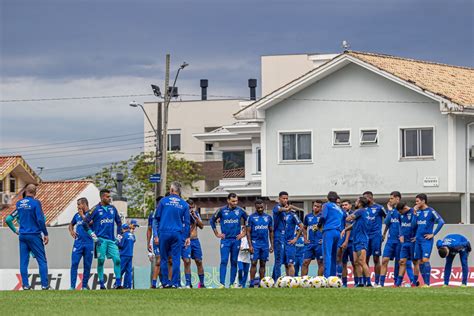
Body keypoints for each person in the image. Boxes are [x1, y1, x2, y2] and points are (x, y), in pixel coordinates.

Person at [83, 188, 123, 289]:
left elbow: (119, 223)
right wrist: (93, 236)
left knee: (117, 260)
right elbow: (85, 223)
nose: (109, 198)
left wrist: (119, 236)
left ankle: (118, 284)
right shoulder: (95, 209)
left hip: (111, 240)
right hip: (100, 240)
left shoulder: (113, 209)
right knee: (101, 261)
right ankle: (101, 284)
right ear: (101, 197)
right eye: (107, 196)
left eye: (110, 196)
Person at [152, 182, 190, 288]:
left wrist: (155, 235)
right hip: (177, 233)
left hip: (164, 233)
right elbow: (187, 223)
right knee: (176, 259)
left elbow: (156, 219)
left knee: (164, 258)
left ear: (171, 190)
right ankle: (174, 283)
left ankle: (165, 283)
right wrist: (187, 237)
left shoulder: (163, 201)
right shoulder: (184, 204)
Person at [14, 184, 50, 290]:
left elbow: (15, 218)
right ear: (35, 193)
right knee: (41, 260)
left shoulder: (19, 203)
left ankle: (25, 285)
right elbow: (40, 219)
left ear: (26, 191)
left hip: (22, 235)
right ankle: (44, 285)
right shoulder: (36, 203)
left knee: (24, 261)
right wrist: (45, 233)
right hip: (34, 235)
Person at [210, 192, 248, 288]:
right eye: (233, 201)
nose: (235, 203)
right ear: (228, 201)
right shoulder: (222, 210)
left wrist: (244, 233)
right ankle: (222, 283)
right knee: (224, 260)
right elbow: (212, 221)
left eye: (236, 201)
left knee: (234, 261)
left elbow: (249, 220)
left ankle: (231, 283)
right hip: (225, 240)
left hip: (236, 240)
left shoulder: (240, 211)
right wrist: (217, 233)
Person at [413, 194, 445, 287]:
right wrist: (414, 213)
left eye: (417, 201)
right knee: (420, 261)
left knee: (425, 259)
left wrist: (433, 234)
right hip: (418, 240)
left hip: (426, 240)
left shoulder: (431, 211)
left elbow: (441, 222)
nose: (416, 203)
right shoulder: (417, 212)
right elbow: (414, 225)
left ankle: (427, 283)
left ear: (423, 201)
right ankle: (425, 283)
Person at [342, 197, 371, 287]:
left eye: (357, 201)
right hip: (356, 239)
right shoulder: (361, 213)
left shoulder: (360, 211)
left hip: (361, 239)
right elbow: (354, 224)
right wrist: (345, 229)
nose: (355, 202)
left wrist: (344, 212)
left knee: (362, 261)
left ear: (361, 203)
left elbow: (348, 219)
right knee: (356, 262)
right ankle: (360, 282)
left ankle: (369, 283)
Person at [247, 199, 273, 288]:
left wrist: (271, 245)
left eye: (262, 207)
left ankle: (262, 284)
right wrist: (250, 245)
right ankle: (251, 283)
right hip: (255, 243)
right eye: (258, 207)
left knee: (263, 263)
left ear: (264, 206)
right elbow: (248, 232)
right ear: (255, 207)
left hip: (265, 244)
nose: (260, 209)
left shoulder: (268, 217)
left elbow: (271, 231)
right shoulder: (251, 217)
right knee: (253, 262)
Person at [68, 197, 93, 290]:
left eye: (79, 204)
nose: (77, 206)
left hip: (89, 243)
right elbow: (71, 224)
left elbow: (90, 223)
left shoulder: (91, 214)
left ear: (84, 204)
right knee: (74, 263)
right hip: (78, 243)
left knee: (87, 265)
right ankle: (72, 286)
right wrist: (71, 231)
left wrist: (82, 215)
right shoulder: (76, 215)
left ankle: (84, 286)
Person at [362, 191, 386, 286]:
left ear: (370, 198)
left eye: (365, 198)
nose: (363, 200)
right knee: (365, 259)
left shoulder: (379, 208)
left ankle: (376, 282)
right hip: (365, 236)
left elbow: (388, 218)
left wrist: (384, 233)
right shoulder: (363, 208)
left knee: (376, 259)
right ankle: (366, 282)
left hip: (376, 236)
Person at [318, 191, 344, 278]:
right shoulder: (339, 209)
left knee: (327, 254)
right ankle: (332, 277)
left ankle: (326, 277)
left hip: (329, 231)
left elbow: (323, 217)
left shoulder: (326, 205)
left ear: (327, 198)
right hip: (337, 232)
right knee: (333, 255)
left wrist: (319, 226)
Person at [380, 191, 402, 287]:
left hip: (399, 240)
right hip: (390, 240)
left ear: (397, 199)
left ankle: (396, 283)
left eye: (391, 198)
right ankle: (381, 283)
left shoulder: (402, 211)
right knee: (384, 260)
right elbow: (387, 222)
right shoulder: (391, 211)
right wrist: (384, 233)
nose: (390, 200)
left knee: (398, 262)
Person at [396, 201, 418, 287]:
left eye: (401, 211)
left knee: (415, 262)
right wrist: (401, 234)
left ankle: (414, 282)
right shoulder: (400, 215)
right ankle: (398, 283)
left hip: (413, 242)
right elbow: (400, 225)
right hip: (404, 242)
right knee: (402, 261)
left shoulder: (414, 212)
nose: (400, 213)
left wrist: (417, 236)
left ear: (404, 208)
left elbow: (419, 225)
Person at [302, 200, 324, 277]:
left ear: (321, 208)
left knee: (320, 262)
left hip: (319, 243)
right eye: (314, 206)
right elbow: (304, 228)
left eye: (317, 206)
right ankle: (303, 281)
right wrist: (305, 238)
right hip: (310, 243)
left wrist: (324, 239)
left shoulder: (323, 217)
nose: (315, 208)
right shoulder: (308, 216)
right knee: (305, 262)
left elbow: (327, 229)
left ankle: (319, 281)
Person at [187, 199, 206, 288]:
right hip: (186, 241)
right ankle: (188, 283)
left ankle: (201, 283)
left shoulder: (196, 214)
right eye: (189, 207)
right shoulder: (182, 214)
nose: (190, 209)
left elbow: (202, 226)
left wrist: (195, 217)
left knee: (199, 261)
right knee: (187, 261)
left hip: (195, 240)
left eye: (192, 207)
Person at [272, 191, 290, 281]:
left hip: (283, 236)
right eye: (284, 198)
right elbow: (279, 209)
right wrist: (286, 209)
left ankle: (273, 279)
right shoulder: (277, 207)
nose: (285, 200)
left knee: (281, 259)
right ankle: (278, 280)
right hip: (278, 236)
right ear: (279, 198)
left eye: (287, 198)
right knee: (278, 259)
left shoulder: (284, 210)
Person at [147, 196, 163, 288]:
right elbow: (149, 229)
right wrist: (148, 242)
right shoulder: (152, 214)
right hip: (155, 240)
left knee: (166, 261)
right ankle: (153, 284)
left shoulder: (166, 212)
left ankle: (164, 282)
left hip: (165, 238)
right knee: (157, 261)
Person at [339, 200, 356, 287]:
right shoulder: (341, 214)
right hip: (343, 242)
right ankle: (344, 283)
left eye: (346, 205)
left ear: (350, 205)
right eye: (343, 205)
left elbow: (349, 227)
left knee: (355, 263)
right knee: (343, 263)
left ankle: (357, 282)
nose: (344, 207)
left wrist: (346, 240)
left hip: (353, 242)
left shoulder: (354, 214)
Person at [118, 223, 136, 289]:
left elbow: (121, 245)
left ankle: (117, 284)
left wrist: (117, 243)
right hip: (130, 254)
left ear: (123, 229)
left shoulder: (123, 235)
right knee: (128, 271)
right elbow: (134, 241)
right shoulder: (133, 235)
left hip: (123, 254)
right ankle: (128, 286)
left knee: (120, 270)